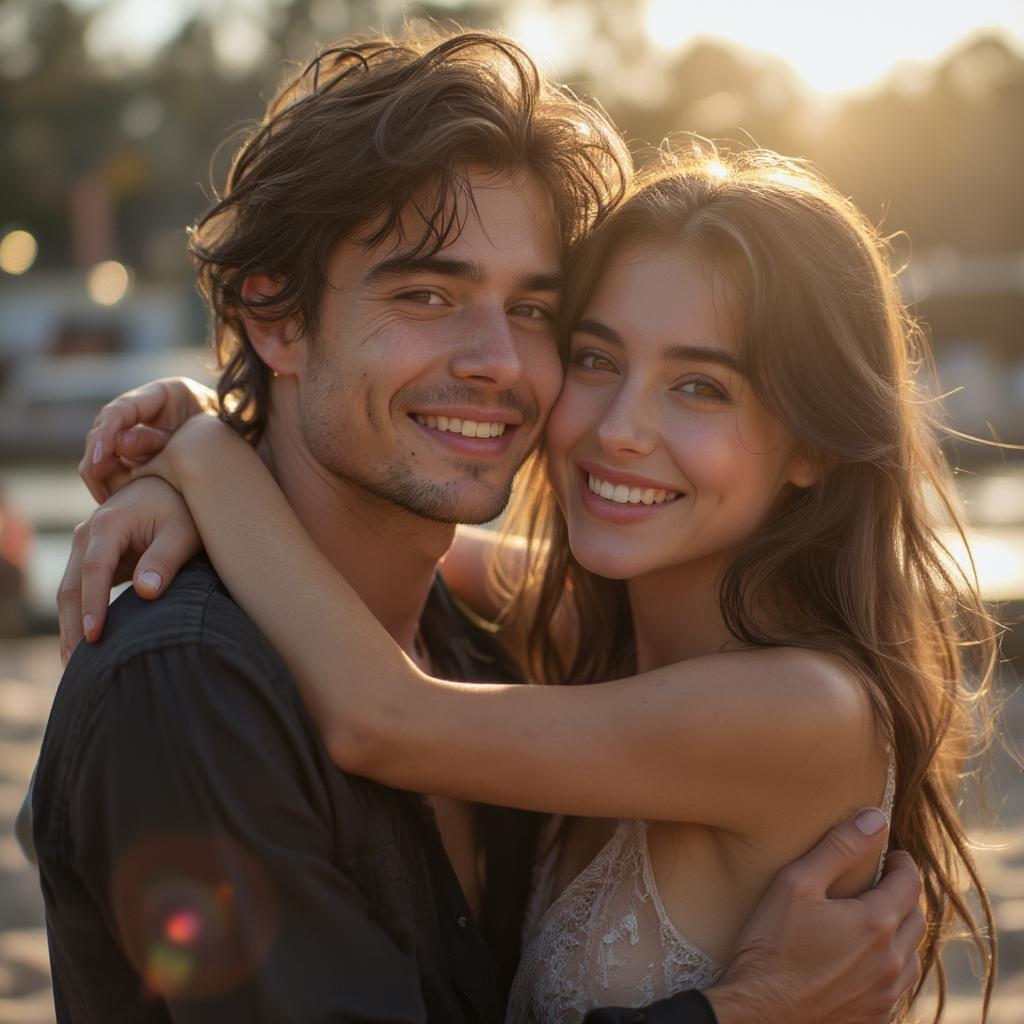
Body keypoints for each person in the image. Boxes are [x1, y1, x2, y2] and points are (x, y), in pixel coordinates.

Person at [41, 30, 926, 1024]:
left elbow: (391, 709)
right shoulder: (191, 685)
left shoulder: (496, 651)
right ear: (275, 318)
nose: (500, 363)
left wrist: (207, 457)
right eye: (428, 293)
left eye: (536, 311)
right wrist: (748, 1009)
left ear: (812, 442)